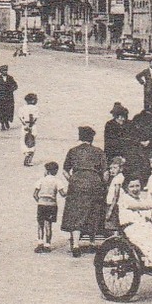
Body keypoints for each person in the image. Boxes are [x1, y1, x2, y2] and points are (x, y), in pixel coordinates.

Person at [61, 126, 108, 256]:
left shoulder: (72, 151)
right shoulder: (98, 151)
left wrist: (72, 180)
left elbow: (65, 171)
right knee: (94, 210)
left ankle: (76, 245)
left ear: (80, 137)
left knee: (75, 212)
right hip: (94, 182)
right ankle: (92, 243)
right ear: (91, 139)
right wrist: (103, 185)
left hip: (77, 182)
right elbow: (105, 173)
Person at [33, 161, 68, 253]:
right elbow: (63, 194)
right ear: (56, 171)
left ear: (46, 170)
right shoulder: (57, 181)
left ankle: (40, 243)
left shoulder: (41, 180)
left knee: (40, 224)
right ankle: (47, 245)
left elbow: (35, 194)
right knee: (48, 225)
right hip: (52, 205)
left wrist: (39, 201)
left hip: (41, 205)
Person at [103, 103, 132, 171]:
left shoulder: (129, 124)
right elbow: (109, 142)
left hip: (127, 154)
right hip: (113, 153)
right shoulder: (110, 125)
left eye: (123, 116)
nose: (121, 119)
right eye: (118, 116)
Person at [0, 65, 18, 130]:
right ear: (1, 71)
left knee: (8, 111)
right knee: (0, 112)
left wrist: (12, 89)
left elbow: (15, 85)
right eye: (3, 70)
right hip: (0, 98)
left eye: (6, 70)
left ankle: (7, 121)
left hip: (9, 98)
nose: (5, 72)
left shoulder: (10, 78)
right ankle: (2, 124)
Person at [19, 93, 40, 166]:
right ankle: (30, 157)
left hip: (24, 126)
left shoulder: (22, 108)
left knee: (24, 140)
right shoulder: (35, 108)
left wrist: (25, 124)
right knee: (32, 140)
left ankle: (26, 153)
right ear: (33, 100)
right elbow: (34, 118)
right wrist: (30, 126)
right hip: (32, 126)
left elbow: (21, 117)